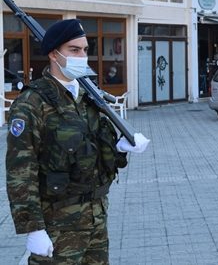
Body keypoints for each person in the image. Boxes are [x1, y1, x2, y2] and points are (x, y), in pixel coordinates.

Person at [6, 19, 150, 264]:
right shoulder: (32, 103)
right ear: (54, 54)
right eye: (74, 50)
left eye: (85, 49)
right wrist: (33, 228)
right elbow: (20, 172)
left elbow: (91, 149)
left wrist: (119, 148)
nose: (82, 56)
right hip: (57, 225)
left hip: (96, 218)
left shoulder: (88, 97)